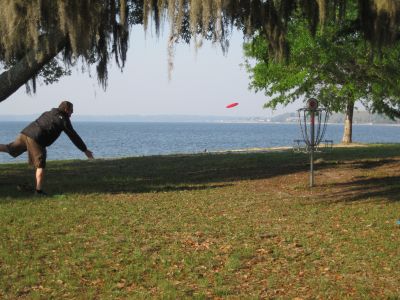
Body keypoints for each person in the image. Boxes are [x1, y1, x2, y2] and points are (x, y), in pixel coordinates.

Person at [0, 101, 94, 195]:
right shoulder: (63, 120)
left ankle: (38, 190)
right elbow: (73, 136)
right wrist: (84, 150)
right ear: (66, 109)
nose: (72, 113)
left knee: (10, 148)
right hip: (36, 139)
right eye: (71, 111)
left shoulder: (48, 112)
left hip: (25, 133)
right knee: (40, 164)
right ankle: (38, 191)